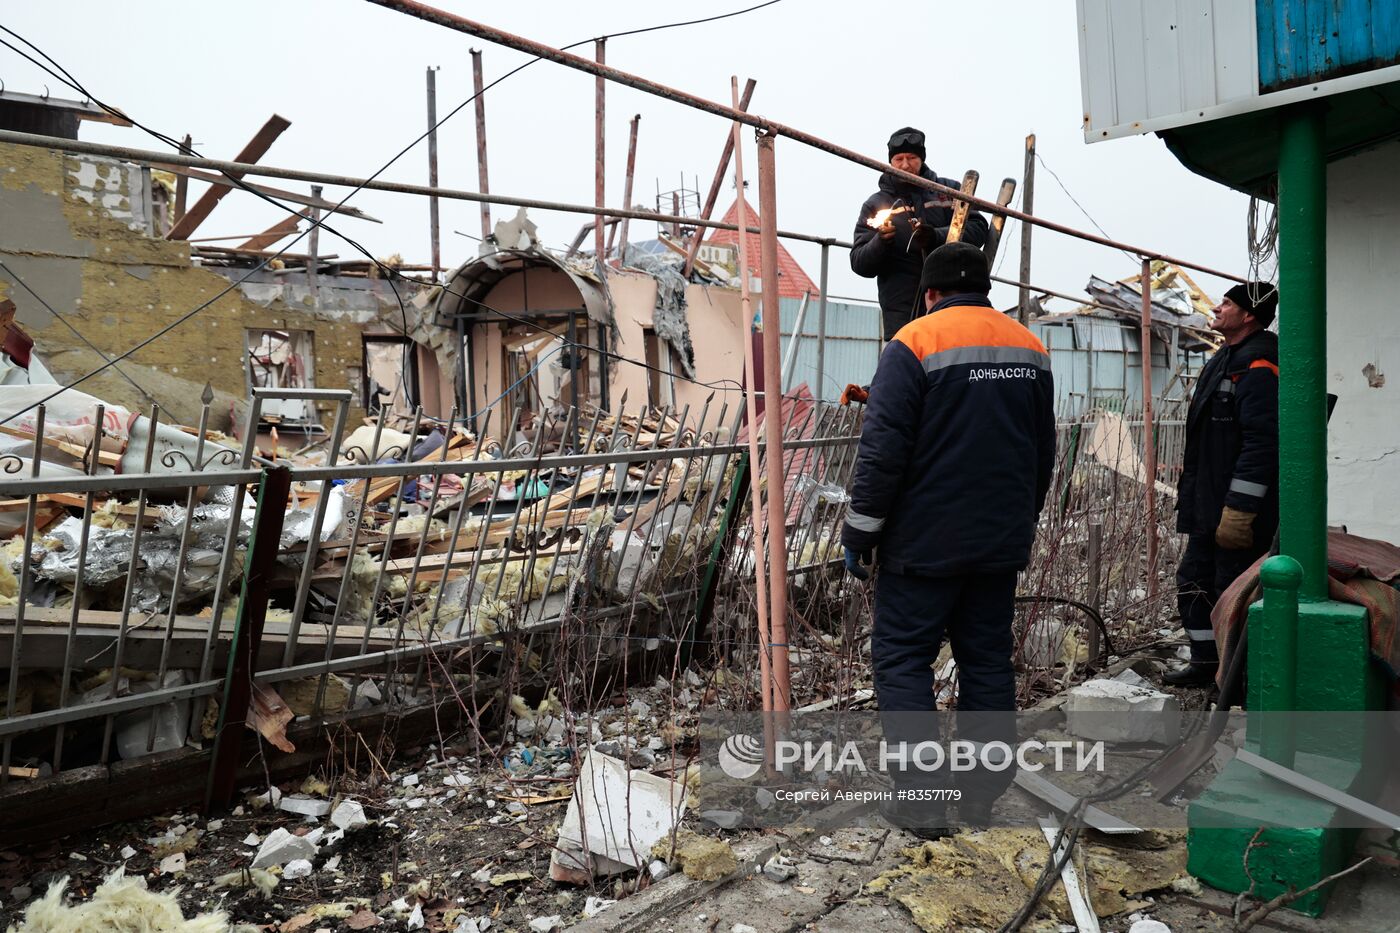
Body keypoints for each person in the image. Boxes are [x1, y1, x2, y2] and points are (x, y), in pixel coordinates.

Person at [841, 242, 1056, 836]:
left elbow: (883, 453)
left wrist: (859, 533)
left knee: (904, 661)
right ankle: (981, 795)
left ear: (930, 292)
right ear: (984, 288)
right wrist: (1020, 522)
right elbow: (1043, 452)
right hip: (997, 544)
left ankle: (922, 801)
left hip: (923, 546)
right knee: (986, 663)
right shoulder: (1029, 348)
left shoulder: (913, 342)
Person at [1167, 283, 1279, 687]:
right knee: (1194, 581)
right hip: (1207, 503)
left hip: (1234, 510)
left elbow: (1263, 443)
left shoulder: (1260, 363)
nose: (1217, 308)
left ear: (1249, 315)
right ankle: (1204, 664)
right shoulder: (1224, 358)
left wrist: (1240, 510)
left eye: (1227, 303)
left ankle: (1237, 676)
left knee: (1231, 589)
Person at [850, 127, 990, 343]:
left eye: (912, 158)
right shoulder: (875, 205)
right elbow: (859, 262)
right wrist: (881, 241)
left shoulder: (949, 191)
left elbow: (979, 228)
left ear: (922, 158)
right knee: (903, 370)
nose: (905, 165)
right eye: (899, 159)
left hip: (951, 304)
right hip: (901, 315)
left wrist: (935, 236)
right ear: (890, 162)